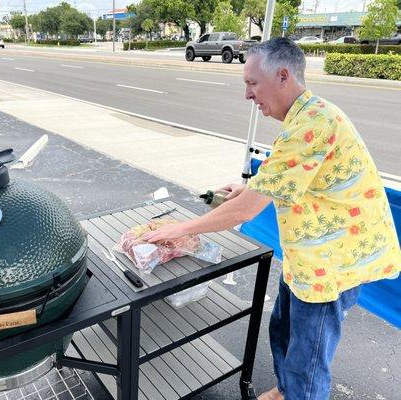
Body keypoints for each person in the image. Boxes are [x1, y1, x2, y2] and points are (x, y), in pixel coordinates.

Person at [143, 37, 400, 400]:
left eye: (251, 83)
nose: (248, 95)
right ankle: (285, 391)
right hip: (308, 254)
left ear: (283, 76)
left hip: (332, 264)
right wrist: (244, 190)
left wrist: (179, 229)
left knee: (307, 358)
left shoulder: (314, 123)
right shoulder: (303, 116)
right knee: (282, 329)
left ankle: (298, 393)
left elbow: (247, 211)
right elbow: (282, 181)